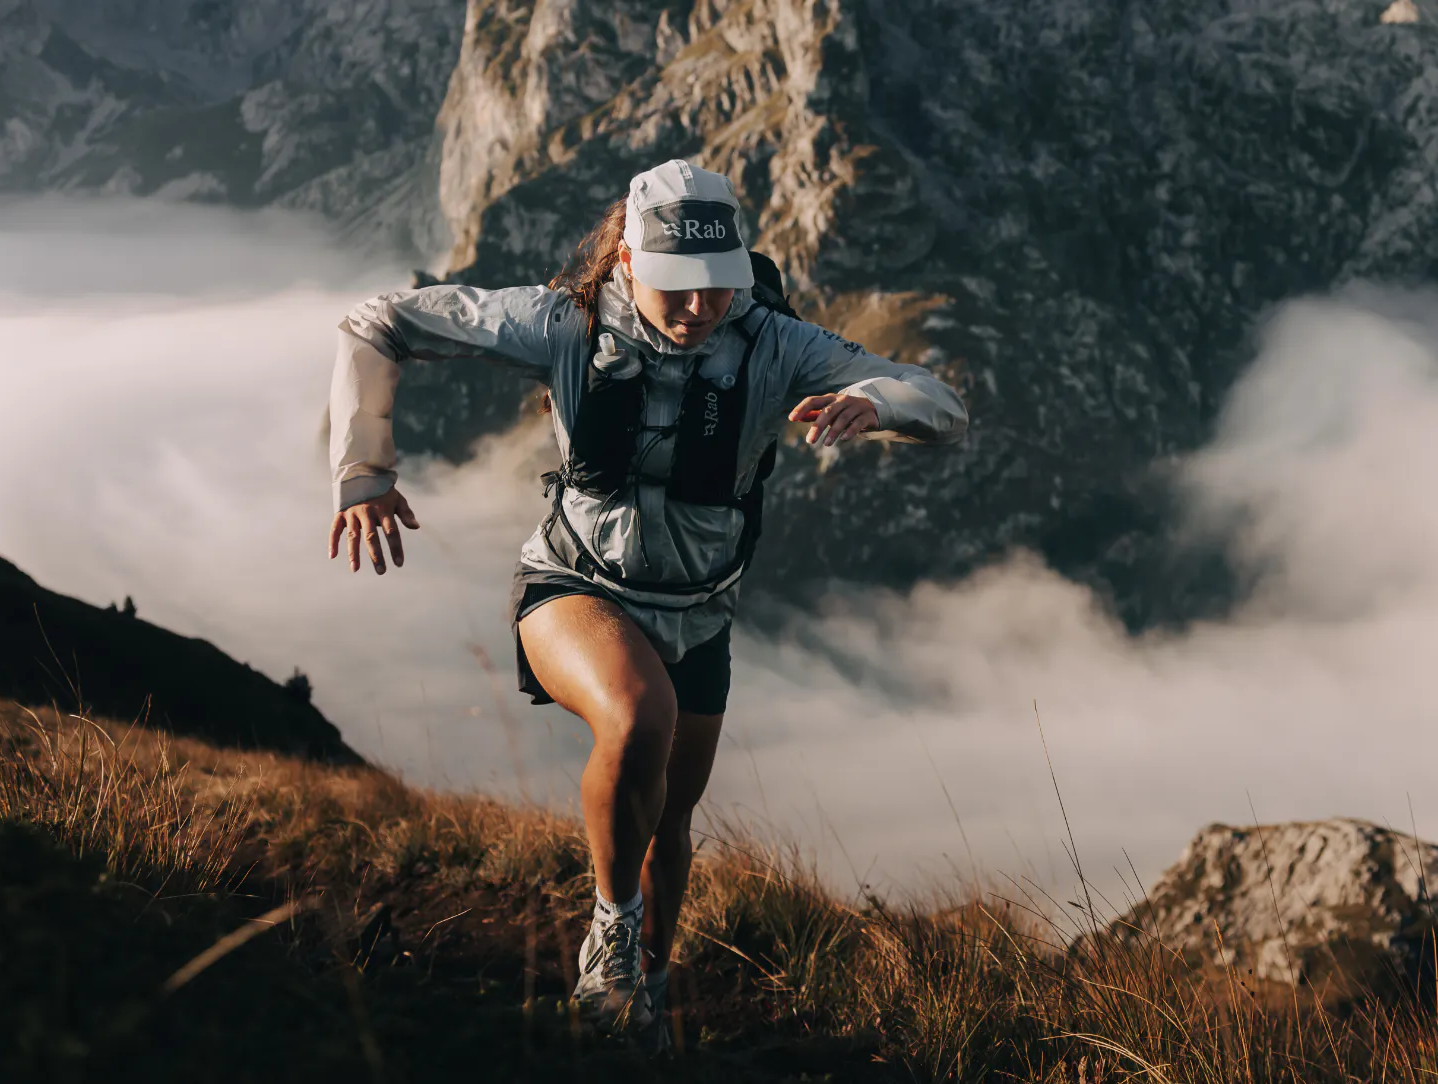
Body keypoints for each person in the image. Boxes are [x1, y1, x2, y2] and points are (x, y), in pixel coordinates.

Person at [326, 159, 967, 1043]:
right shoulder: (564, 323)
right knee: (638, 715)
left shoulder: (773, 344)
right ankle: (609, 938)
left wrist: (872, 398)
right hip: (573, 585)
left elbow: (941, 402)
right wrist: (363, 468)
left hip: (700, 611)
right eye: (677, 286)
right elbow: (377, 324)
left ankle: (648, 993)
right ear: (627, 262)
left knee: (671, 820)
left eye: (718, 285)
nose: (700, 308)